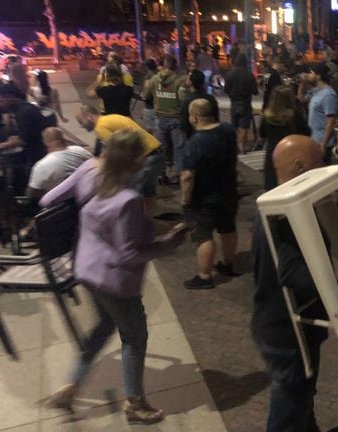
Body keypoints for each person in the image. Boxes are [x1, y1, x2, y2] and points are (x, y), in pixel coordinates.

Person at [44, 129, 187, 425]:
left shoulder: (89, 171)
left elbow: (48, 199)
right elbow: (129, 253)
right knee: (134, 337)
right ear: (134, 161)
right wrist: (170, 242)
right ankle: (135, 403)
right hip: (113, 280)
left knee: (104, 325)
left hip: (85, 268)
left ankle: (72, 386)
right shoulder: (127, 199)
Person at [252, 134, 338, 431]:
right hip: (286, 331)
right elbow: (292, 272)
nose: (324, 166)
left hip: (285, 324)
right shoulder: (283, 214)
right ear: (299, 165)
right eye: (319, 161)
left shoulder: (281, 204)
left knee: (301, 392)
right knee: (291, 400)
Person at [180, 99, 240, 289]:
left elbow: (188, 176)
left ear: (195, 117)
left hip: (204, 197)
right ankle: (228, 264)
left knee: (204, 235)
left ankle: (204, 276)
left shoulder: (195, 142)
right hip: (228, 191)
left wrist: (185, 198)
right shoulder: (228, 130)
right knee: (228, 229)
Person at [76, 105, 164, 216]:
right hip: (156, 153)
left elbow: (116, 151)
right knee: (148, 191)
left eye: (81, 122)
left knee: (132, 192)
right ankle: (149, 218)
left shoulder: (100, 127)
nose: (82, 126)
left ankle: (133, 220)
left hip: (144, 158)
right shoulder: (111, 118)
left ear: (89, 117)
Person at [0, 82, 56, 194]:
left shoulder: (24, 112)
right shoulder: (20, 108)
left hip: (38, 154)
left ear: (9, 97)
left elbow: (24, 140)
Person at [260, 85, 310, 190]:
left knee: (272, 185)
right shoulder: (295, 116)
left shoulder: (267, 116)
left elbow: (262, 134)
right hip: (291, 154)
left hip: (272, 153)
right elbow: (306, 133)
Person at [142, 55, 183, 182]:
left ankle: (161, 174)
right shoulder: (178, 81)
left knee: (161, 148)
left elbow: (146, 95)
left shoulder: (154, 79)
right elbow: (183, 99)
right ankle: (178, 174)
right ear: (175, 67)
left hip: (159, 118)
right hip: (175, 118)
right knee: (178, 147)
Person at [27, 127, 92, 199]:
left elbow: (32, 194)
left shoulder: (41, 165)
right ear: (63, 139)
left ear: (45, 142)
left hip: (63, 202)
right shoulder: (80, 150)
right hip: (89, 193)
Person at [299, 63, 338, 163]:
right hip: (314, 137)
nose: (308, 75)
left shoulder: (328, 95)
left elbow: (331, 121)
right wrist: (302, 83)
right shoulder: (315, 91)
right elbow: (301, 98)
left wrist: (323, 144)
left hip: (322, 140)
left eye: (311, 73)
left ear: (318, 76)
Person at [224, 54, 259, 154]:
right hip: (245, 104)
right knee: (244, 127)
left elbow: (226, 90)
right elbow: (255, 91)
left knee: (234, 126)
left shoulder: (230, 74)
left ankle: (234, 146)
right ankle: (242, 147)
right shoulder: (249, 75)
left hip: (234, 103)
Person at [179, 69, 218, 140]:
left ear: (191, 82)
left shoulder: (187, 100)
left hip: (193, 136)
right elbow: (216, 118)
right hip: (210, 135)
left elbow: (184, 124)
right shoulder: (211, 99)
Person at [140, 59, 159, 133]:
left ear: (146, 67)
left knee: (150, 129)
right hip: (159, 105)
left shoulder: (148, 78)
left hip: (150, 106)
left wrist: (143, 98)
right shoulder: (159, 75)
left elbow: (146, 94)